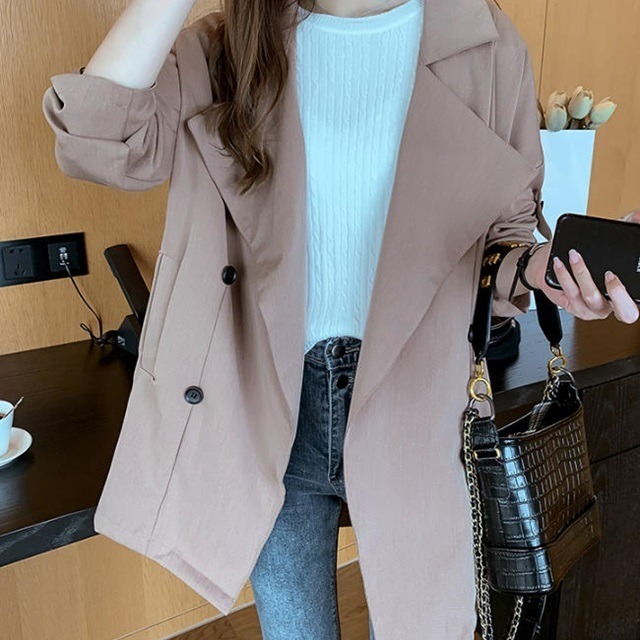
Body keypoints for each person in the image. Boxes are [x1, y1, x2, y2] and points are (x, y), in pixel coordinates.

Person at [42, 0, 640, 638]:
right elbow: (95, 141)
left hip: (416, 404)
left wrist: (544, 268)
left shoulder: (486, 44)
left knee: (423, 624)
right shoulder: (227, 45)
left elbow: (499, 241)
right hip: (266, 407)